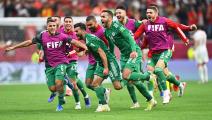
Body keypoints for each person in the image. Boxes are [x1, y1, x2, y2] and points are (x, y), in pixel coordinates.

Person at [5, 18, 87, 112]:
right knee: (52, 89)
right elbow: (29, 42)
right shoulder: (42, 36)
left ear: (56, 27)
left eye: (54, 26)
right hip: (49, 66)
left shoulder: (62, 36)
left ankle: (60, 103)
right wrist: (14, 47)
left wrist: (85, 47)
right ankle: (65, 80)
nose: (52, 27)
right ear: (47, 27)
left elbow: (75, 42)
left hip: (61, 63)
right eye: (50, 26)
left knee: (58, 83)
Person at [100, 10, 157, 111]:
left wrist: (134, 50)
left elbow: (130, 38)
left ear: (110, 18)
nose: (101, 19)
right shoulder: (107, 32)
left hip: (133, 53)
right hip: (124, 56)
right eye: (101, 17)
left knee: (125, 76)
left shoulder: (117, 26)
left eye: (103, 17)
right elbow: (112, 44)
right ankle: (150, 100)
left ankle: (149, 76)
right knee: (133, 81)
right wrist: (112, 55)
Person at [134, 5, 190, 104]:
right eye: (147, 13)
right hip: (153, 53)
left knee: (158, 70)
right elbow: (136, 35)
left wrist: (184, 38)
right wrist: (131, 44)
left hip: (165, 50)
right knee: (151, 74)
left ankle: (166, 93)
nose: (148, 15)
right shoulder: (145, 24)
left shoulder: (164, 21)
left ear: (156, 13)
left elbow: (177, 27)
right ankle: (180, 85)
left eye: (150, 13)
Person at [74, 22, 122, 112]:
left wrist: (106, 68)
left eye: (77, 31)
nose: (75, 33)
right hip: (100, 63)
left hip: (109, 61)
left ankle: (141, 77)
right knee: (94, 84)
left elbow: (102, 53)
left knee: (118, 86)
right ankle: (104, 105)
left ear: (83, 30)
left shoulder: (90, 39)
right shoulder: (88, 40)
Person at [59, 16, 91, 109]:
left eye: (70, 21)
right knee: (75, 80)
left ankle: (77, 103)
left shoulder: (75, 34)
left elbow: (79, 50)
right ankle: (85, 95)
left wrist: (72, 52)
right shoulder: (59, 32)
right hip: (62, 60)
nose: (68, 23)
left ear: (72, 23)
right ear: (63, 23)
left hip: (72, 60)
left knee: (73, 82)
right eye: (66, 21)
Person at [115, 5, 143, 109]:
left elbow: (144, 26)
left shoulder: (132, 22)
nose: (118, 15)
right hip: (125, 55)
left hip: (134, 53)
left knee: (135, 78)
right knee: (130, 79)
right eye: (116, 13)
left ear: (125, 13)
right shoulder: (116, 26)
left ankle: (152, 79)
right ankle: (135, 102)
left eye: (120, 13)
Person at [85, 15, 111, 108]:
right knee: (88, 84)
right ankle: (105, 91)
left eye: (91, 24)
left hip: (99, 61)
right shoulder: (89, 33)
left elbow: (108, 45)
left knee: (96, 84)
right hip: (91, 61)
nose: (89, 27)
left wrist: (107, 60)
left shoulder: (101, 32)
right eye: (87, 25)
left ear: (96, 22)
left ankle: (102, 104)